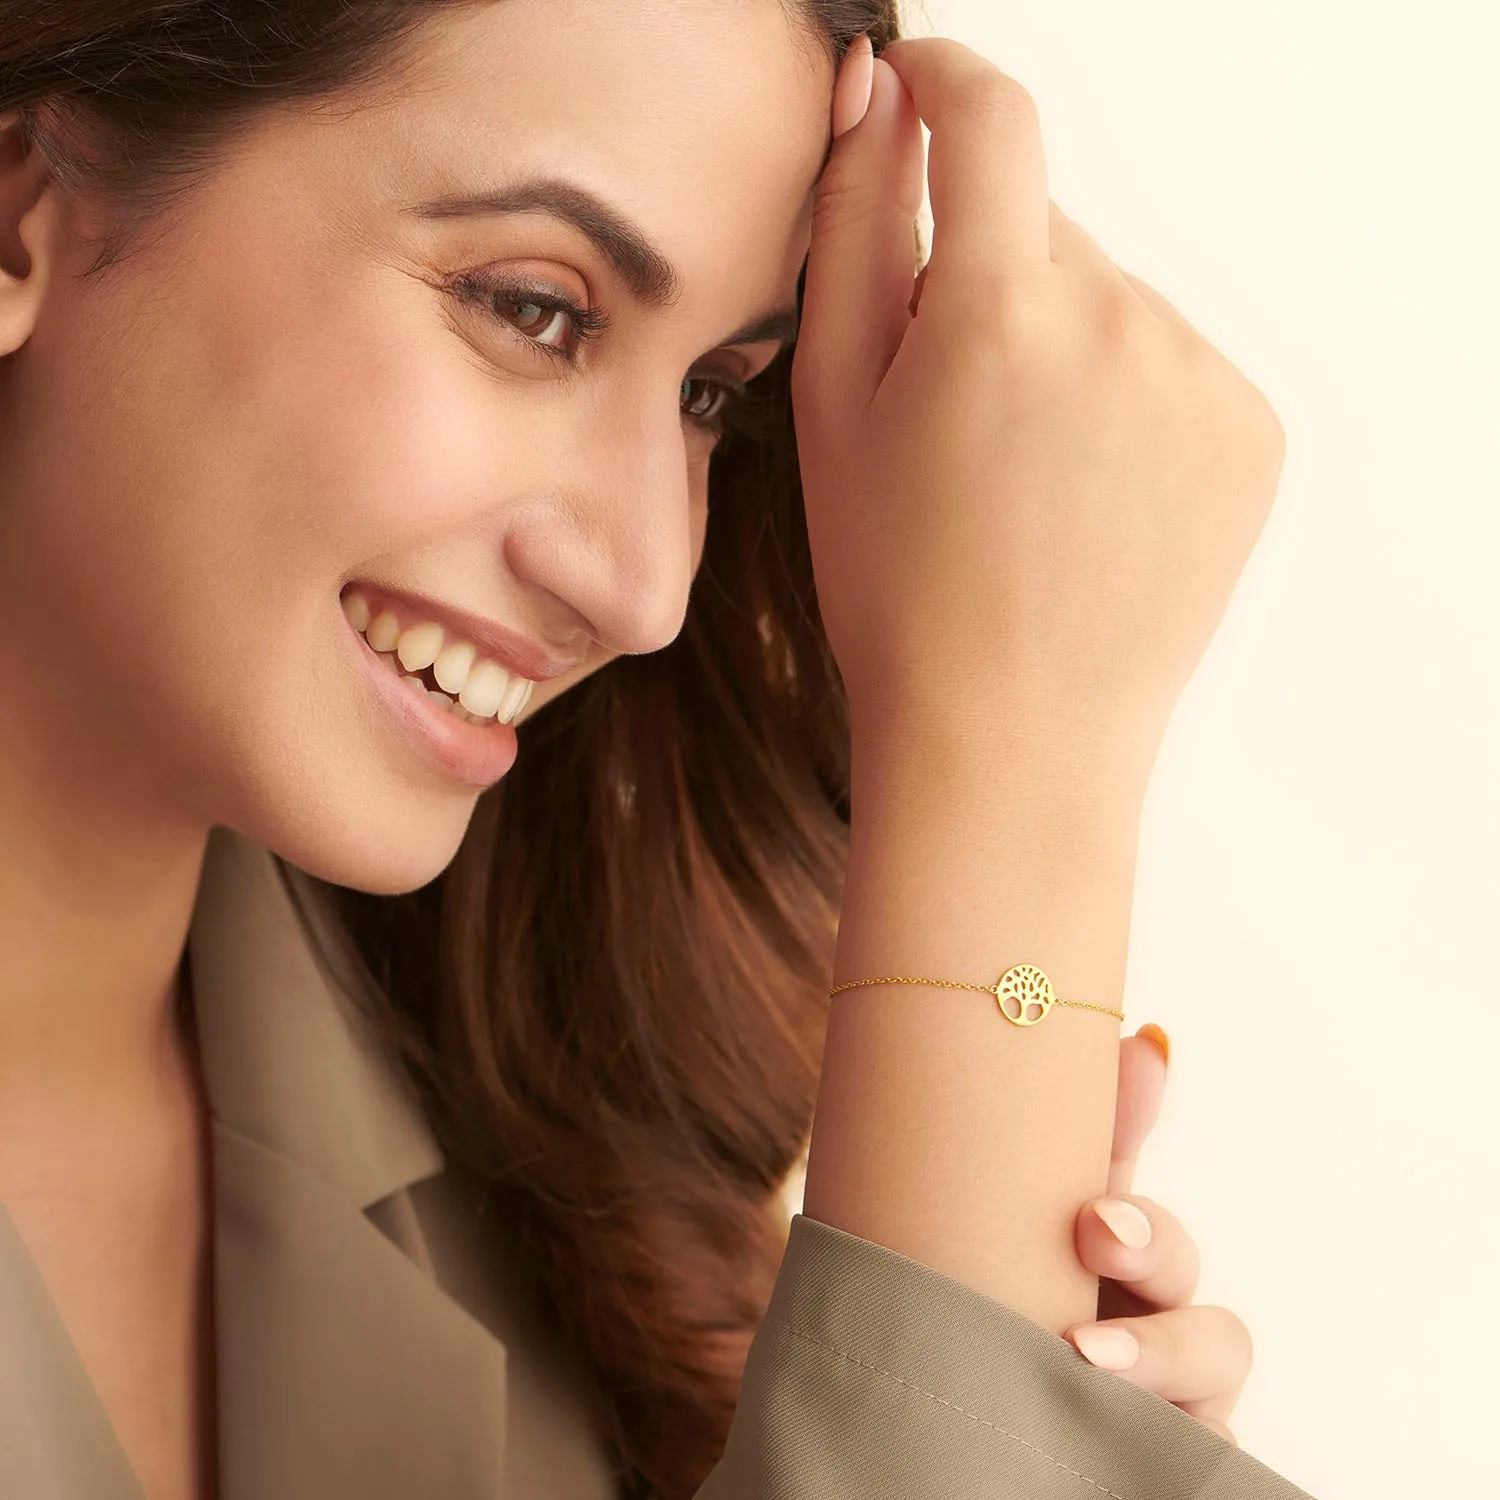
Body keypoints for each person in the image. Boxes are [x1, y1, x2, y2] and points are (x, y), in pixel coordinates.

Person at [0, 2, 1305, 1497]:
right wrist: (1009, 779)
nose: (644, 588)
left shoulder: (563, 1199)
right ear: (21, 203)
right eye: (533, 309)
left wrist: (981, 1373)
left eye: (708, 395)